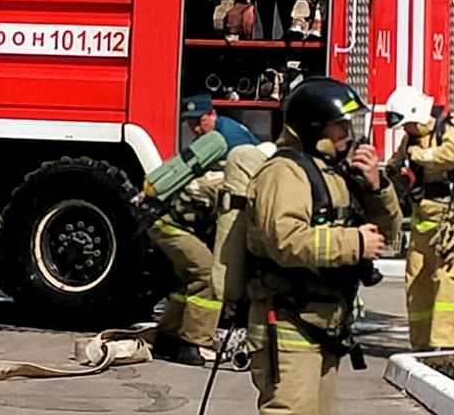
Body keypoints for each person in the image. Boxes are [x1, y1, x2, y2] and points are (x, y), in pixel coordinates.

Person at [245, 77, 402, 415]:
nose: (347, 132)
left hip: (326, 323)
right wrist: (353, 242)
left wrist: (376, 186)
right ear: (312, 127)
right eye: (339, 125)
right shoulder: (284, 173)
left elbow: (387, 233)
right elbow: (284, 240)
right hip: (288, 324)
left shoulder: (335, 173)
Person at [149, 94, 260, 366]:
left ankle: (167, 338)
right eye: (190, 124)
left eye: (199, 121)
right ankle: (193, 343)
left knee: (187, 280)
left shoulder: (231, 143)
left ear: (212, 114)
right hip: (173, 224)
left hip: (161, 220)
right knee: (208, 278)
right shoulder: (216, 146)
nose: (195, 129)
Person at [384, 85, 454, 351]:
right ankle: (422, 344)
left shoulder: (450, 127)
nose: (406, 131)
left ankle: (445, 343)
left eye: (408, 125)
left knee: (447, 279)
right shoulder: (412, 137)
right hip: (423, 218)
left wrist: (422, 157)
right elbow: (400, 158)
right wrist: (393, 169)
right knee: (417, 279)